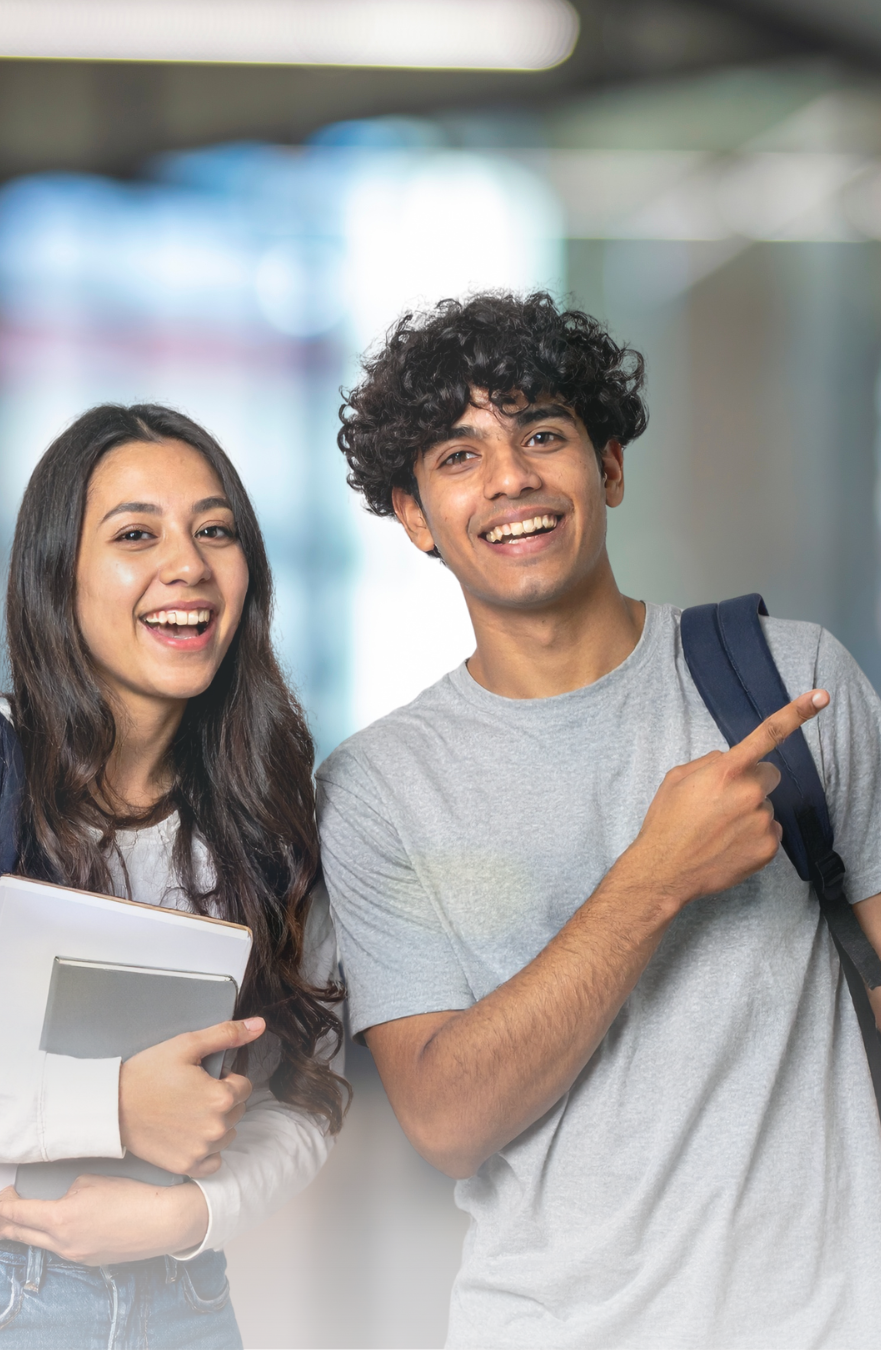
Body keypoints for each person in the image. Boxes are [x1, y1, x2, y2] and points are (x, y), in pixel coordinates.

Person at [316, 291, 881, 1349]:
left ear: (607, 467)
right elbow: (444, 1122)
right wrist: (655, 878)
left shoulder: (789, 681)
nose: (511, 478)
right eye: (457, 456)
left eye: (542, 434)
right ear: (411, 514)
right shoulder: (380, 788)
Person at [0, 404, 347, 1349]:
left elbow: (307, 1092)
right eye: (136, 534)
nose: (187, 564)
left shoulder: (268, 813)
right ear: (59, 574)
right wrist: (113, 1109)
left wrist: (193, 1216)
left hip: (186, 1298)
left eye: (214, 530)